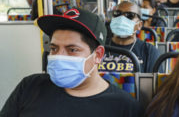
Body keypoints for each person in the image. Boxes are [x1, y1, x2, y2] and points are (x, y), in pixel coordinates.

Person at [0, 8, 143, 117]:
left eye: (72, 50)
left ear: (98, 55)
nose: (58, 56)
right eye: (54, 48)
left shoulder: (124, 107)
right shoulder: (29, 87)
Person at [103, 1, 161, 73]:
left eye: (130, 15)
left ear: (139, 25)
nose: (121, 19)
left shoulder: (149, 51)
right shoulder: (99, 47)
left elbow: (155, 83)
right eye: (117, 14)